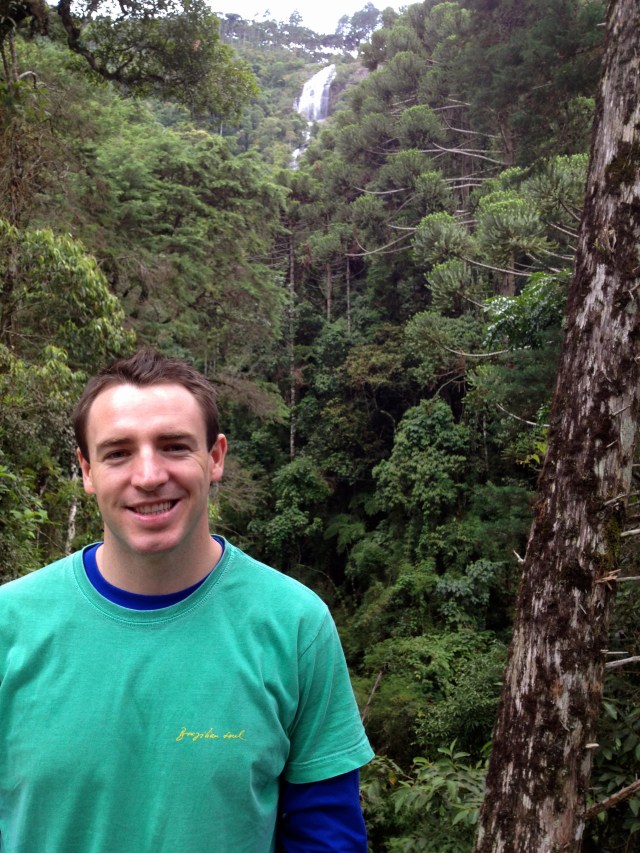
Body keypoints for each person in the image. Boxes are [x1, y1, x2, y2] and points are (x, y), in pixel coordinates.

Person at [0, 348, 374, 852]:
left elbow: (325, 837)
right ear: (86, 471)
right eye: (118, 452)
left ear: (215, 457)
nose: (149, 475)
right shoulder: (10, 624)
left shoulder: (295, 626)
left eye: (174, 446)